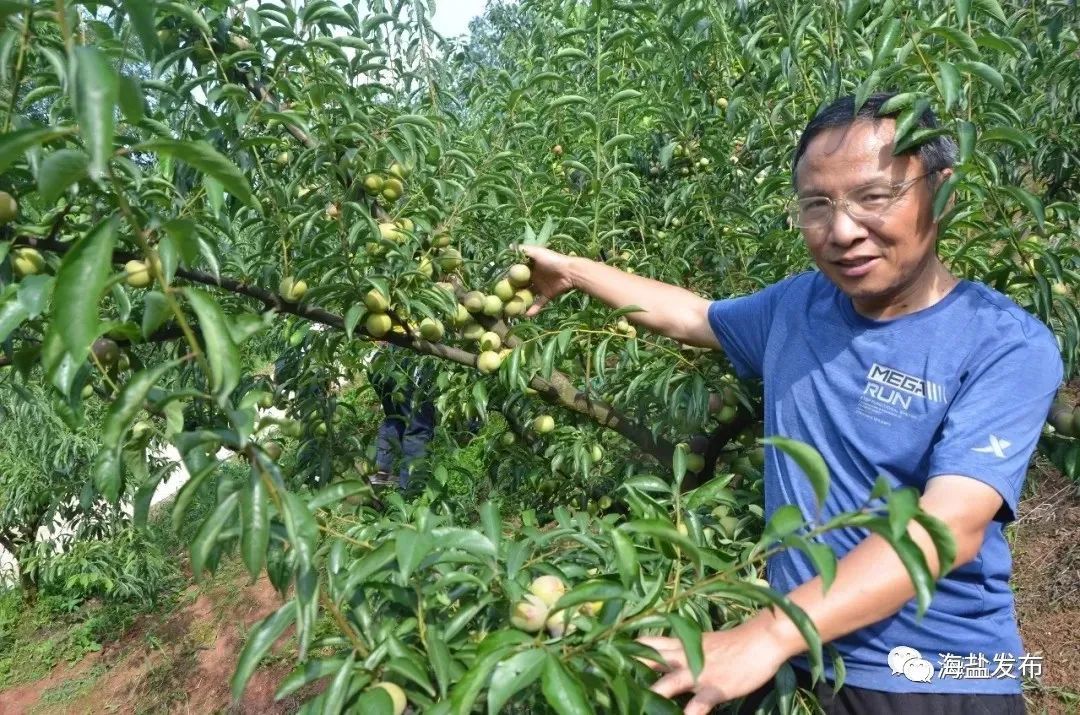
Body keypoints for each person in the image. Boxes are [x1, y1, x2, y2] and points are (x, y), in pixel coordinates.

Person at [522, 93, 1063, 715]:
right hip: (800, 662)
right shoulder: (797, 307)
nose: (842, 230)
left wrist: (766, 635)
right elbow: (691, 316)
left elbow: (948, 526)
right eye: (817, 205)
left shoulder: (1004, 344)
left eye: (874, 197)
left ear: (940, 192)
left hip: (931, 678)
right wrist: (572, 268)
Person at [366, 344, 436, 489]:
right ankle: (411, 491)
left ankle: (380, 483)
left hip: (379, 359)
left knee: (395, 419)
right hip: (404, 358)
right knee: (418, 426)